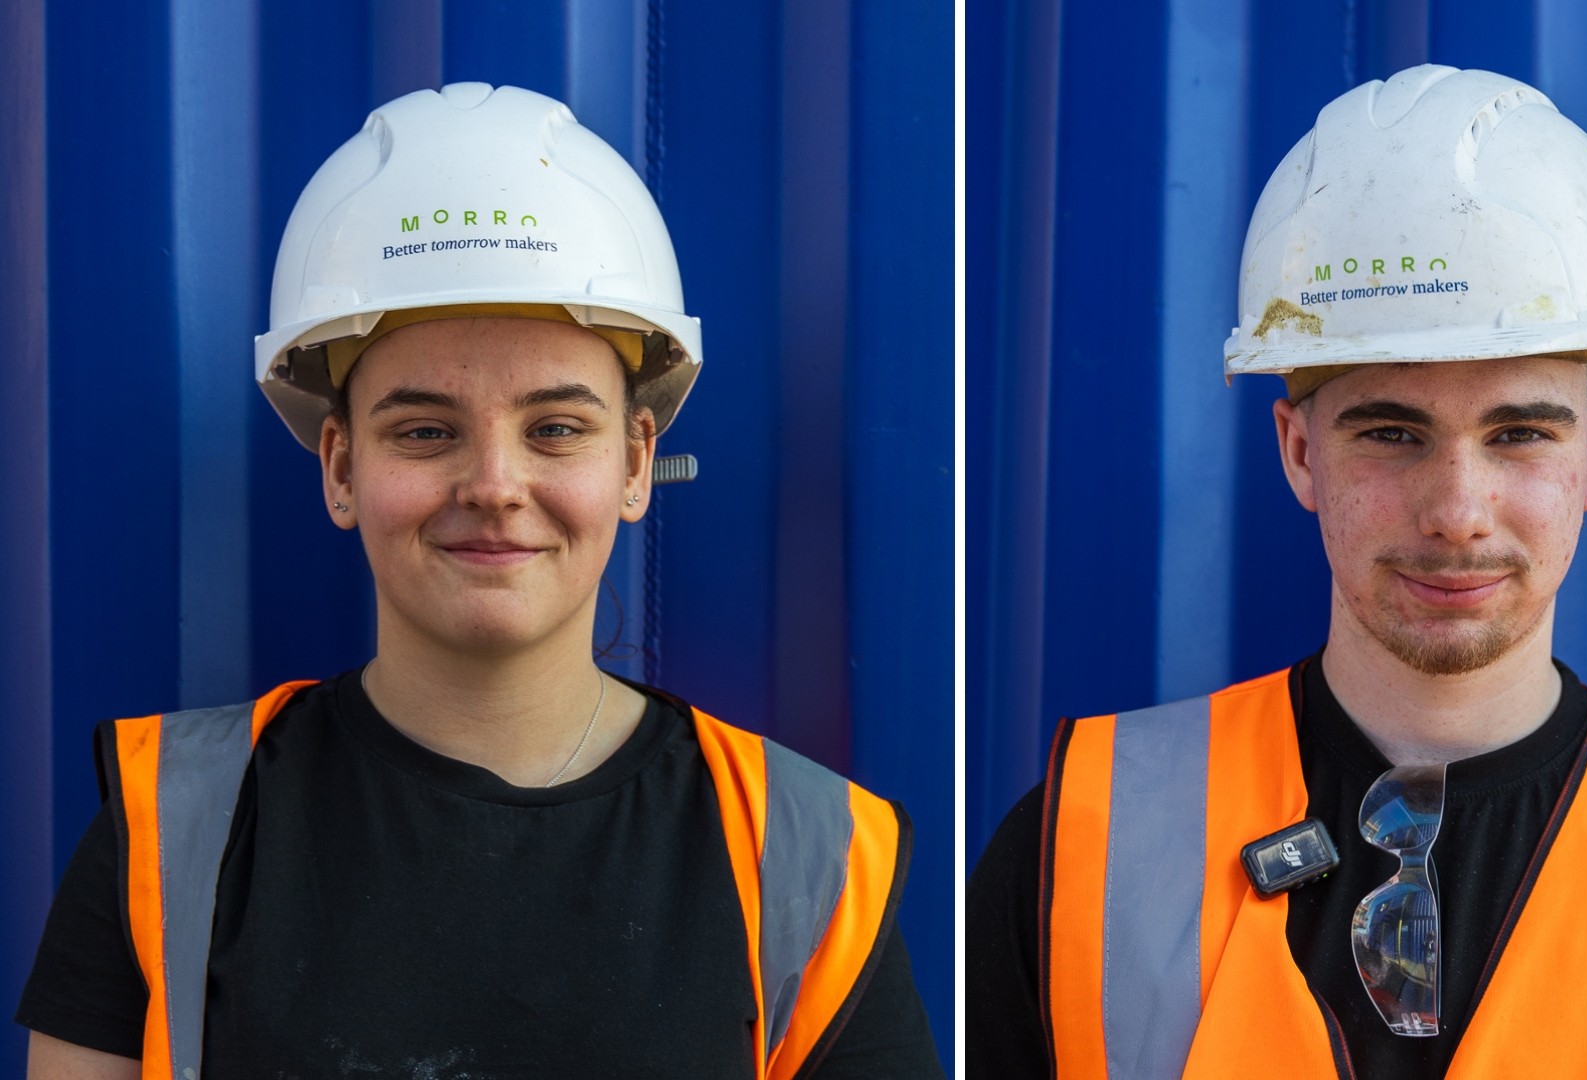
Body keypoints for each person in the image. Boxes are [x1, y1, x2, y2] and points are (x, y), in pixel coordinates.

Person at [967, 65, 1587, 1079]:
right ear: (1297, 452)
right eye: (1390, 432)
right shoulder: (1080, 852)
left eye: (1517, 433)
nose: (1458, 513)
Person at [16, 84, 942, 1080]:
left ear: (634, 463)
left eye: (555, 428)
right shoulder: (169, 829)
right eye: (425, 431)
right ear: (340, 467)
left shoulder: (808, 856)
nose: (495, 487)